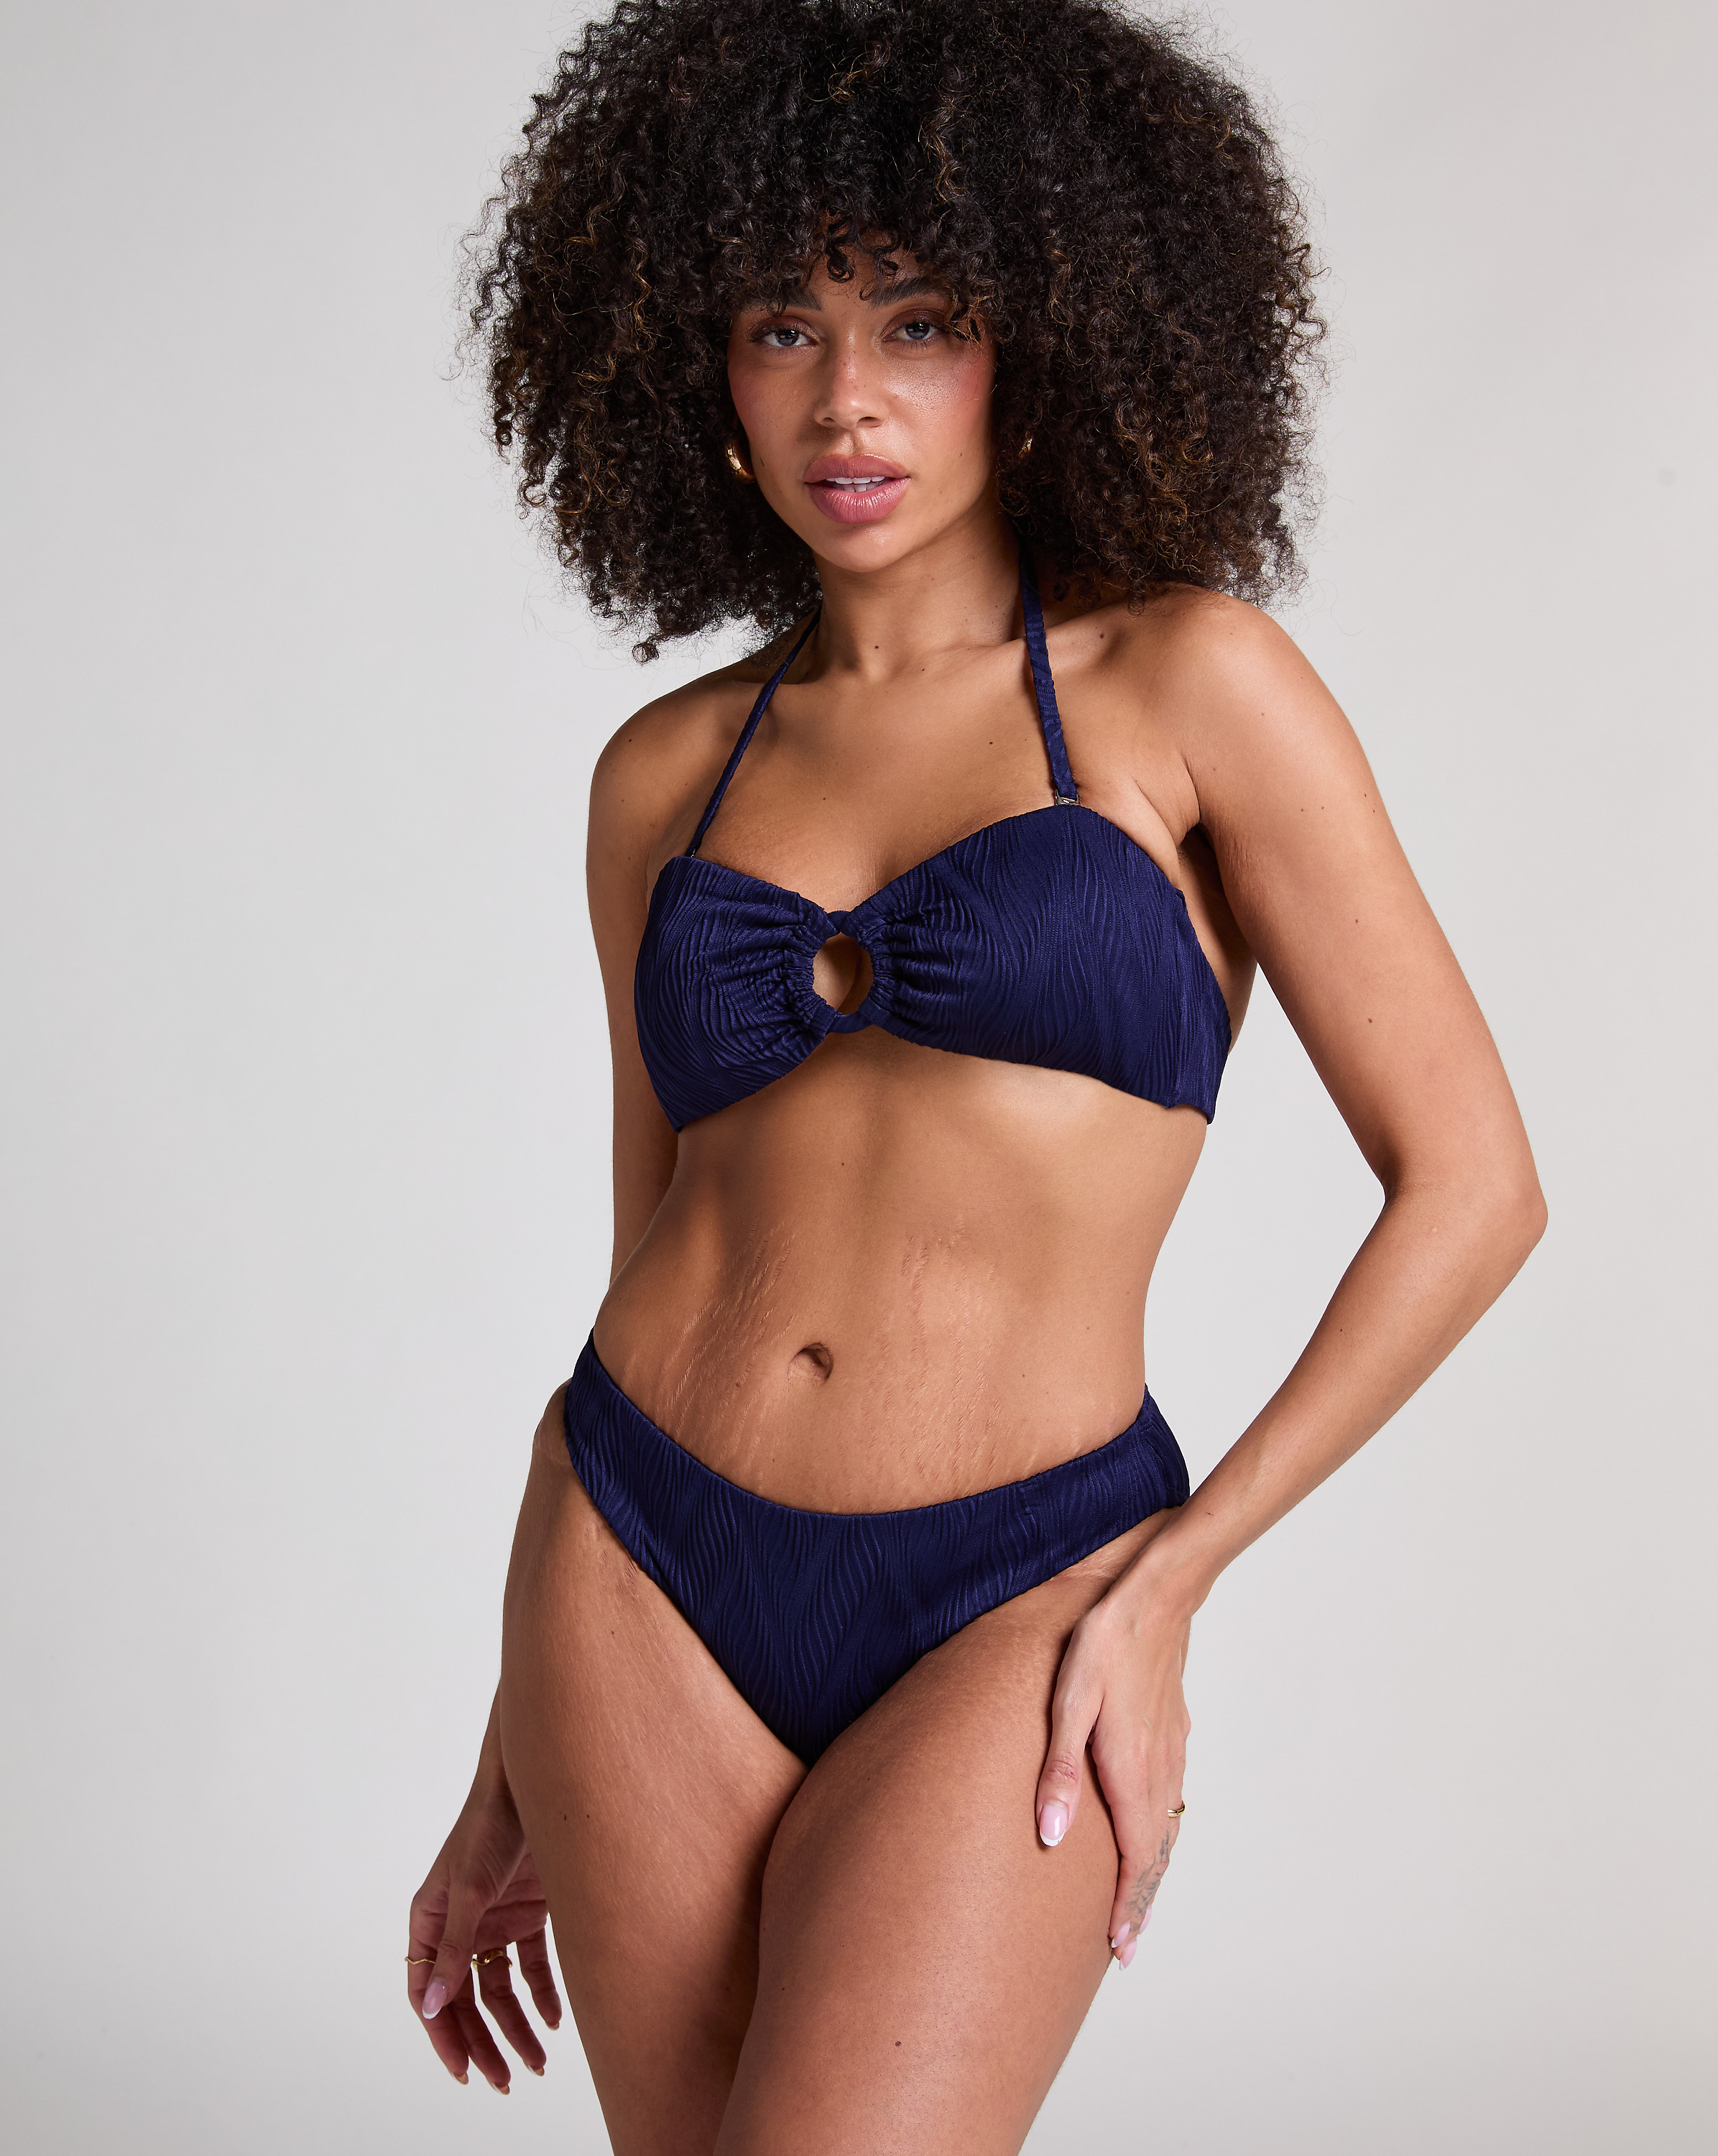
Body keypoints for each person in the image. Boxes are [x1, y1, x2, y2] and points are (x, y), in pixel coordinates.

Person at [405, 3, 1546, 2148]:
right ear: (695, 367)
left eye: (917, 323)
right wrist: (504, 1761)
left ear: (1044, 339)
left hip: (1023, 1582)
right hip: (629, 1564)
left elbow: (1474, 1184)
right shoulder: (662, 773)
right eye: (781, 326)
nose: (846, 397)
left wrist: (1172, 1578)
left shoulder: (1190, 684)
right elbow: (655, 1231)